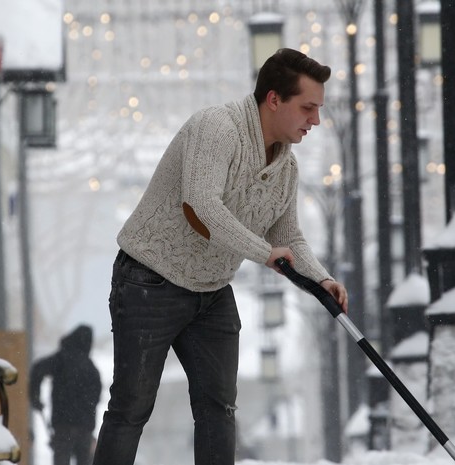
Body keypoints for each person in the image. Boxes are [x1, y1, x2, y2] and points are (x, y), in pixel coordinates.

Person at [91, 48, 348, 465]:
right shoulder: (217, 128)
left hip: (210, 292)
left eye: (318, 109)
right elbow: (200, 207)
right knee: (131, 407)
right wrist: (264, 253)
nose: (315, 120)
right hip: (150, 280)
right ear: (274, 99)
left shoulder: (286, 168)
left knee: (219, 410)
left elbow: (288, 237)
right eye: (308, 108)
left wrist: (321, 279)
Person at [30, 325, 103, 465]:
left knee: (61, 460)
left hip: (63, 424)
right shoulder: (91, 368)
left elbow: (38, 369)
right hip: (84, 427)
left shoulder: (61, 359)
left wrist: (35, 396)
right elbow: (96, 396)